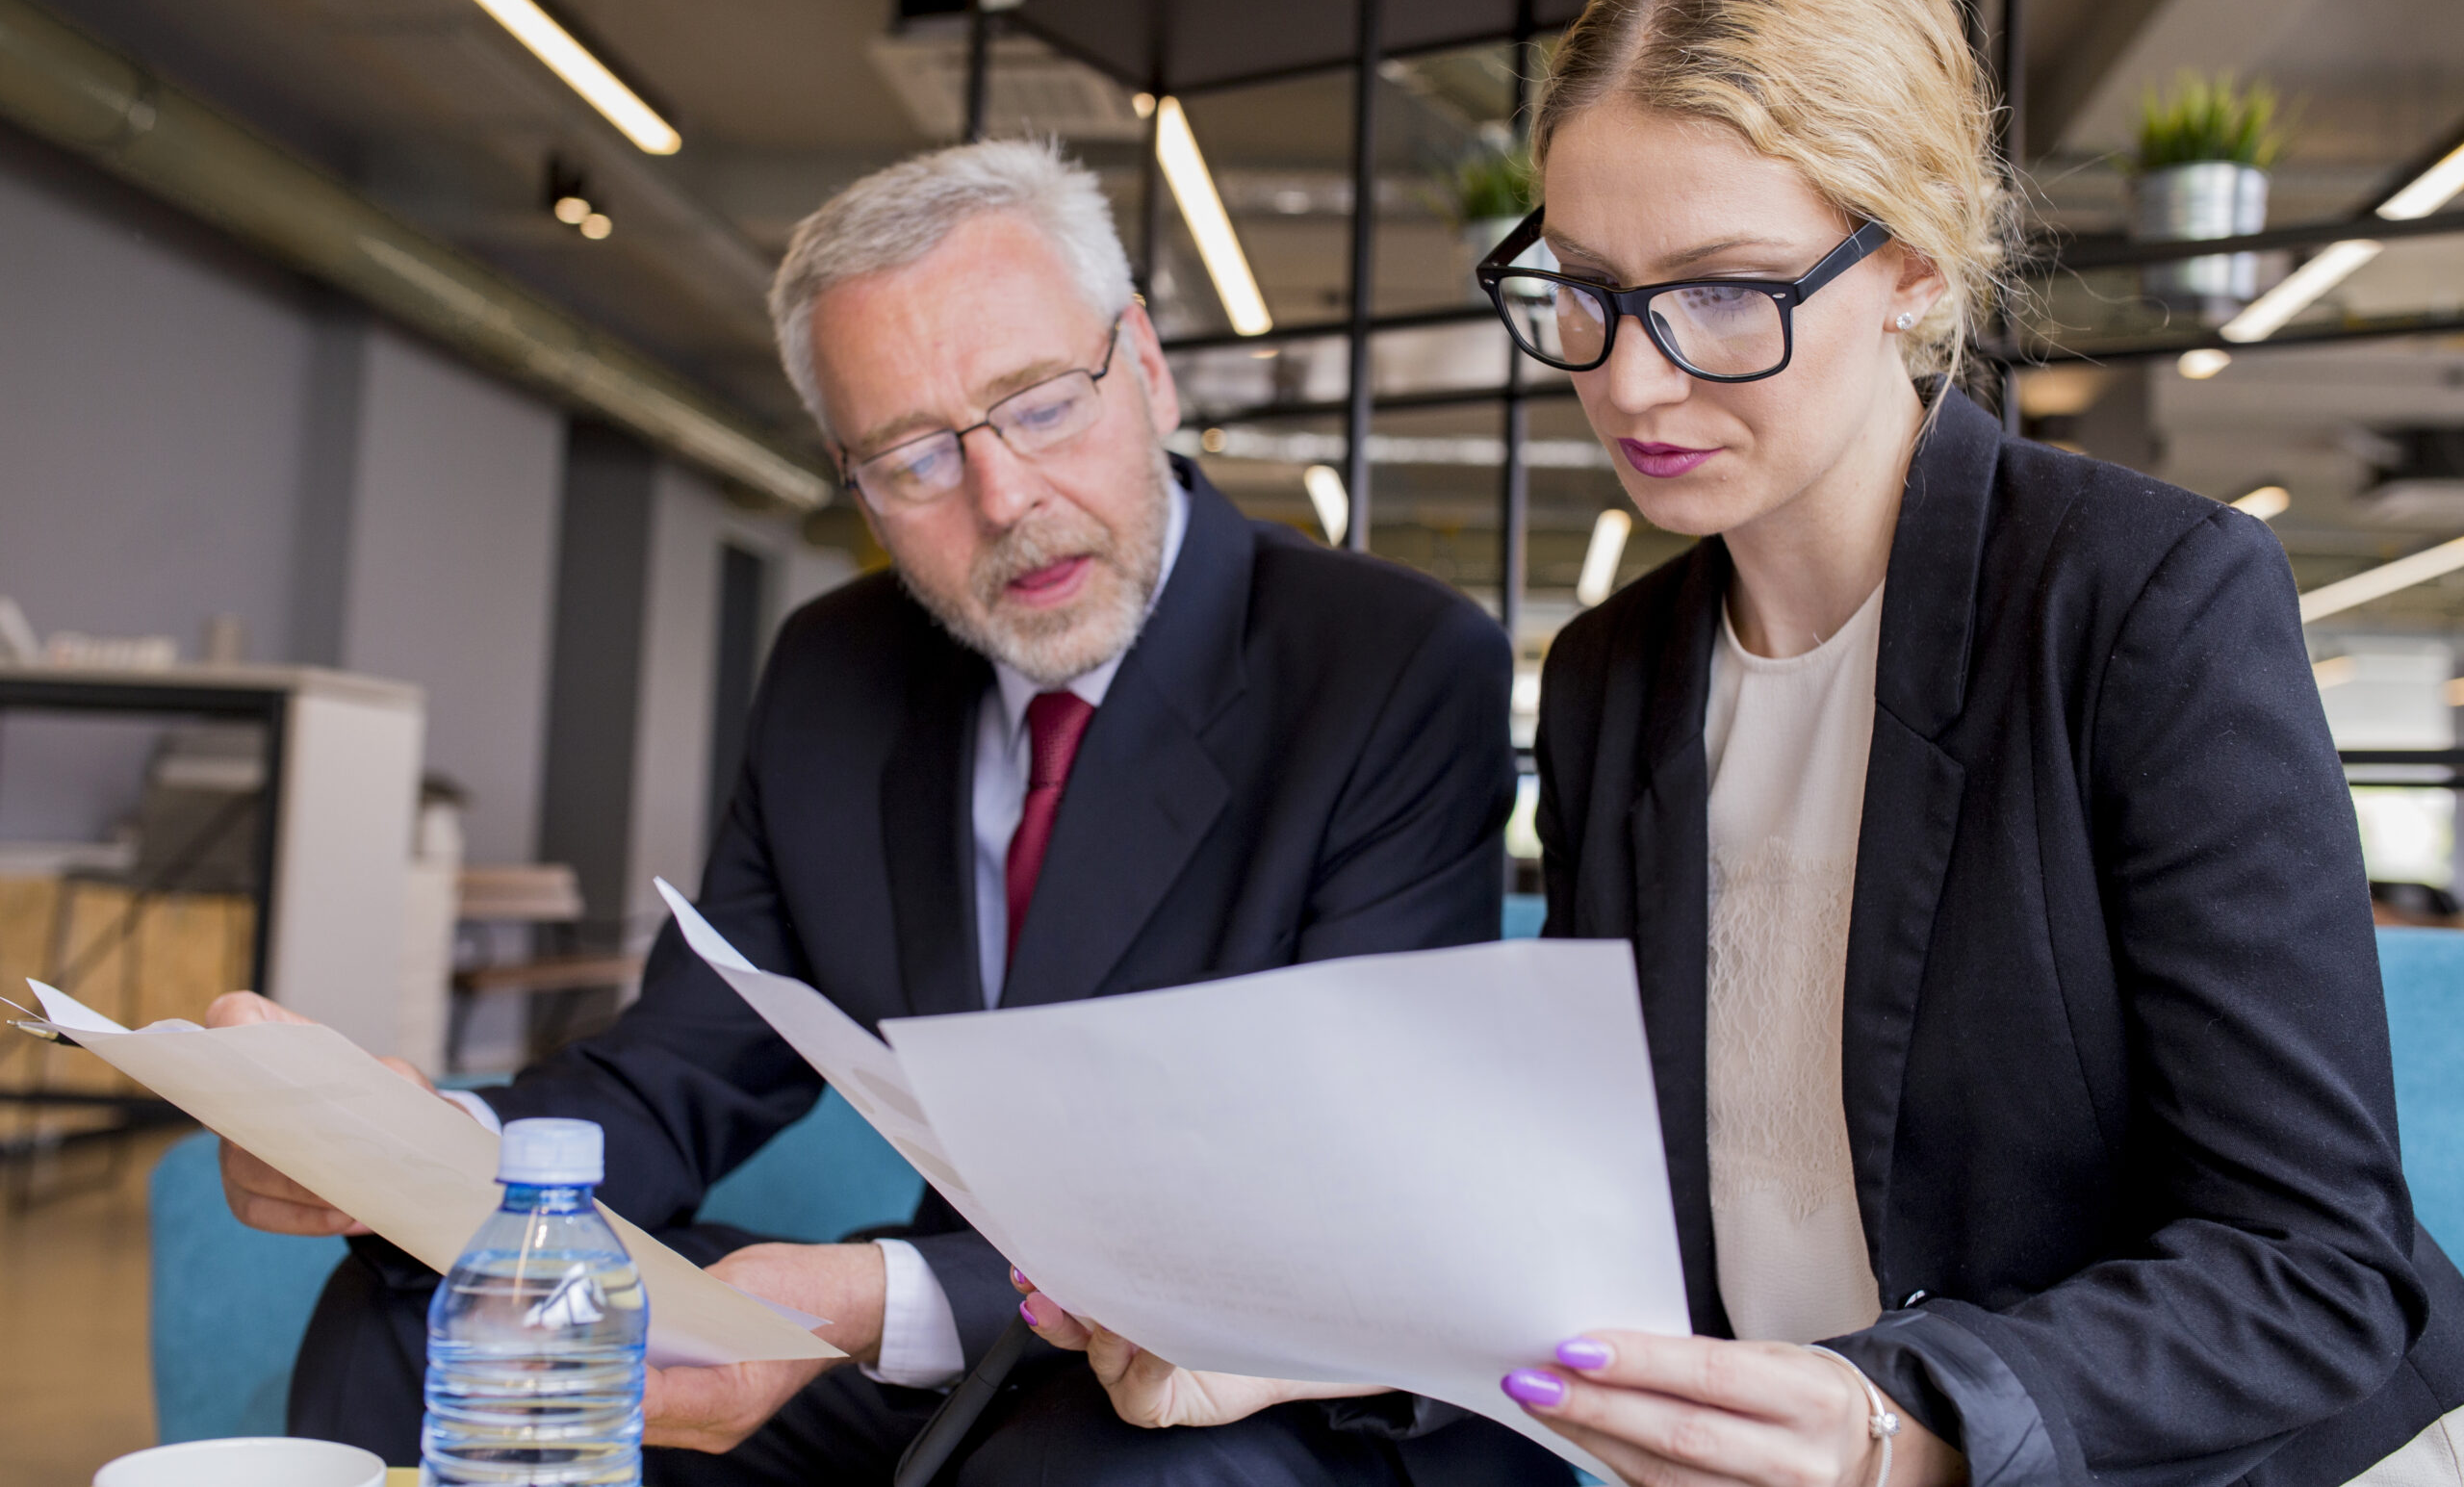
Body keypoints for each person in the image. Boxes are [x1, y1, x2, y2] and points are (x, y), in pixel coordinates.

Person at [1013, 0, 2464, 1487]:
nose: (1630, 379)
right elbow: (1593, 1211)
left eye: (1722, 294)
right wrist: (1293, 1328)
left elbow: (2319, 1266)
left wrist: (1902, 1422)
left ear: (1908, 264)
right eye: (1583, 285)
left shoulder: (2139, 606)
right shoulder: (1611, 680)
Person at [211, 139, 1562, 1487]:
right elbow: (681, 1072)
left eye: (1039, 404)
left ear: (1145, 365)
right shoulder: (834, 674)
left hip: (1272, 1379)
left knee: (1097, 1468)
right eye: (914, 456)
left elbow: (1327, 1199)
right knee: (432, 1314)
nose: (1004, 501)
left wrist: (875, 1298)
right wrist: (421, 1159)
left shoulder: (1390, 665)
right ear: (850, 479)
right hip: (969, 1360)